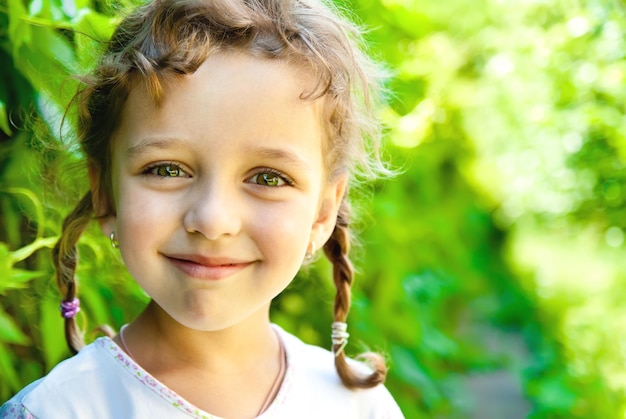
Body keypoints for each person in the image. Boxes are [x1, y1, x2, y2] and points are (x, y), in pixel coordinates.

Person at [0, 0, 403, 417]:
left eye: (268, 178)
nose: (212, 220)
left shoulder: (361, 408)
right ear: (105, 193)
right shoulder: (55, 411)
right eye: (167, 169)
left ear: (322, 213)